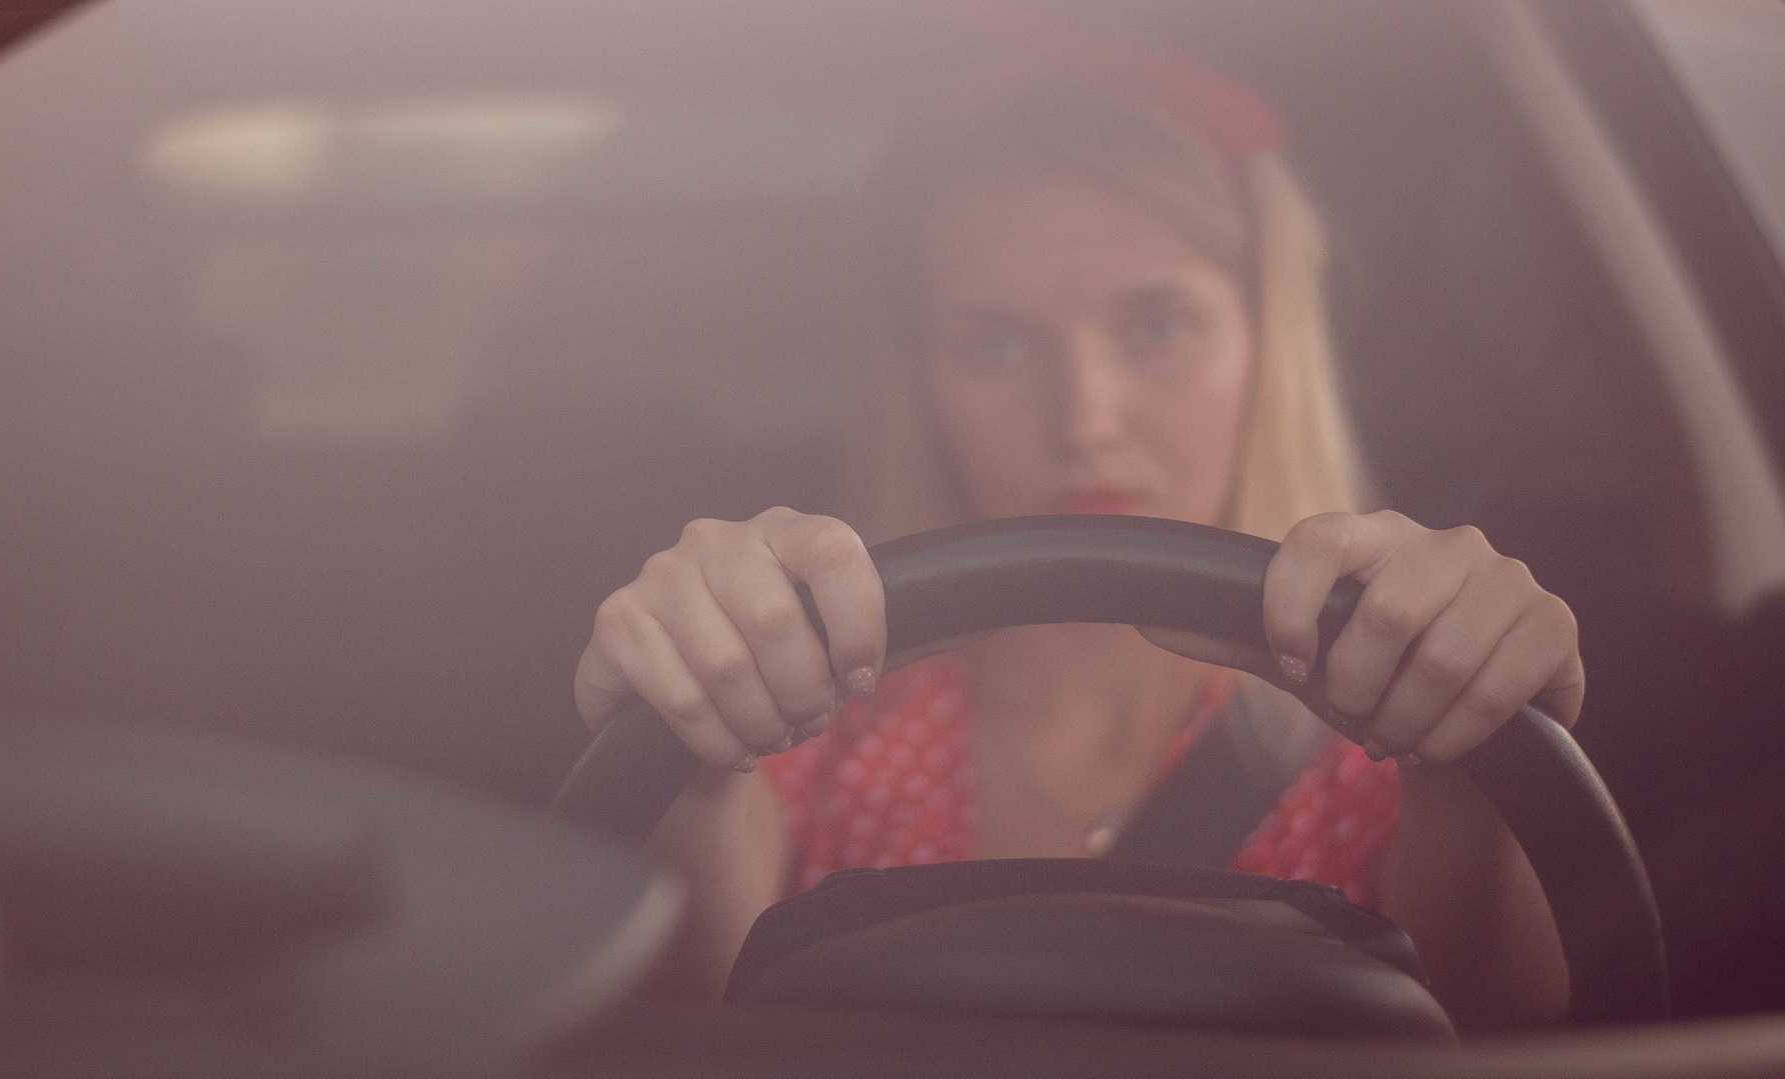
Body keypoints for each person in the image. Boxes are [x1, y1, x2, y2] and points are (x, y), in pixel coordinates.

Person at [572, 19, 1582, 1031]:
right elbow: (685, 1019)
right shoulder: (812, 711)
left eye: (1157, 325)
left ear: (1267, 342)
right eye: (996, 344)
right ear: (922, 384)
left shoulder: (1392, 728)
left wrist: (1475, 743)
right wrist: (696, 720)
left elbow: (1511, 1033)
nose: (1084, 419)